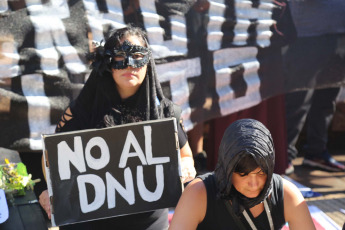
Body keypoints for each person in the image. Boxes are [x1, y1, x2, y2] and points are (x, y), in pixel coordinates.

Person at [38, 24, 196, 230]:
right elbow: (51, 157)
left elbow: (187, 156)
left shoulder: (166, 112)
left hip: (148, 224)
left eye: (138, 56)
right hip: (90, 224)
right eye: (120, 57)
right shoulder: (81, 111)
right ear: (107, 62)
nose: (130, 64)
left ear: (148, 63)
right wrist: (52, 189)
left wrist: (185, 168)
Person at [169, 119, 315, 230]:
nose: (254, 184)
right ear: (228, 168)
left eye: (261, 173)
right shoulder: (199, 194)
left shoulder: (286, 194)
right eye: (243, 175)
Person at [283, 0, 345, 174]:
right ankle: (283, 159)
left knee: (327, 99)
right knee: (299, 99)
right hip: (307, 33)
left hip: (339, 31)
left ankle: (316, 153)